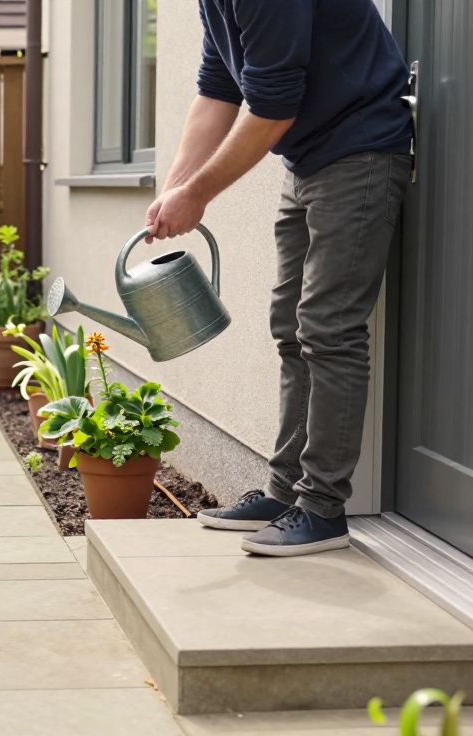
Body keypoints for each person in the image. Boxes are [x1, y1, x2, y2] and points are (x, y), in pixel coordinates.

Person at [150, 0, 413, 556]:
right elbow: (219, 85)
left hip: (360, 149)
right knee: (291, 327)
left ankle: (322, 509)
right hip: (308, 161)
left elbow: (271, 107)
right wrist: (172, 187)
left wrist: (197, 194)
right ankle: (286, 490)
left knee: (328, 328)